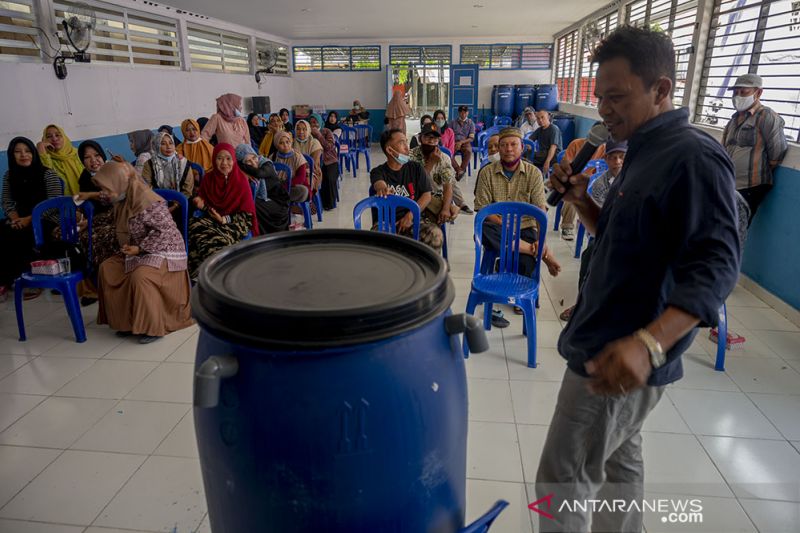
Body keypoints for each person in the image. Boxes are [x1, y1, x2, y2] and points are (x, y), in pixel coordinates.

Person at [537, 27, 741, 533]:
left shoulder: (692, 157)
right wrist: (582, 201)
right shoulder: (642, 148)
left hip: (618, 350)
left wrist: (648, 344)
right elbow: (623, 236)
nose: (604, 109)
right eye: (600, 96)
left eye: (618, 97)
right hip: (608, 335)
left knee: (560, 483)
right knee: (618, 469)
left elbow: (716, 266)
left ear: (662, 89)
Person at [92, 161, 193, 344]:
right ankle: (127, 323)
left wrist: (140, 248)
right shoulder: (122, 199)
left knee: (142, 276)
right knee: (108, 268)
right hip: (138, 249)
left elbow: (167, 232)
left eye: (108, 188)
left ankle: (153, 327)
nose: (105, 194)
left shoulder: (147, 200)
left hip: (166, 250)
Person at [474, 128, 561, 279]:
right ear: (499, 149)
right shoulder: (486, 172)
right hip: (497, 227)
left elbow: (540, 211)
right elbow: (483, 208)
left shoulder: (534, 173)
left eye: (513, 144)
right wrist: (503, 222)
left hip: (524, 227)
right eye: (503, 145)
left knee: (526, 265)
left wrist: (542, 241)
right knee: (484, 227)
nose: (508, 149)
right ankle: (535, 251)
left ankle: (521, 255)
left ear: (522, 147)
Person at [558, 140, 626, 322]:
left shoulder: (637, 180)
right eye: (613, 158)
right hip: (605, 235)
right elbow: (598, 218)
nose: (618, 162)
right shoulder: (599, 184)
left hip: (630, 237)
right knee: (590, 257)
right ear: (606, 159)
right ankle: (582, 303)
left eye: (622, 157)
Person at [0, 137, 63, 300]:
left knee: (24, 235)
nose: (23, 155)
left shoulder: (48, 174)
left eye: (27, 151)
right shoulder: (9, 176)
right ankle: (5, 280)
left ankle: (30, 279)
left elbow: (53, 203)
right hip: (20, 218)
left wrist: (29, 219)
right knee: (3, 230)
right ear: (11, 155)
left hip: (46, 218)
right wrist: (15, 218)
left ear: (33, 153)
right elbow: (6, 201)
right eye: (18, 152)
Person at [722, 73, 788, 222]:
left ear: (758, 92)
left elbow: (777, 153)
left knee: (734, 230)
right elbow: (724, 148)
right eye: (735, 92)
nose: (738, 96)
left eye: (743, 91)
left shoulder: (767, 116)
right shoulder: (733, 119)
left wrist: (754, 169)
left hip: (750, 187)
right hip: (729, 184)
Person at [188, 143, 258, 279]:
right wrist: (201, 204)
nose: (224, 163)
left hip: (235, 222)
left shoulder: (241, 180)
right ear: (214, 160)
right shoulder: (208, 179)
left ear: (233, 160)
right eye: (219, 158)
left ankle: (218, 268)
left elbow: (246, 215)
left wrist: (224, 220)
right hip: (211, 218)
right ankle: (215, 267)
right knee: (195, 225)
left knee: (215, 238)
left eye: (228, 158)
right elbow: (205, 205)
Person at [370, 129, 443, 252]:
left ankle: (427, 270)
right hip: (386, 222)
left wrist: (410, 216)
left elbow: (426, 195)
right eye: (401, 142)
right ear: (389, 150)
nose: (407, 147)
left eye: (406, 142)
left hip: (413, 220)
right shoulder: (379, 171)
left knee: (435, 234)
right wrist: (382, 188)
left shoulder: (416, 168)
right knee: (376, 239)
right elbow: (378, 183)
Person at [76, 140, 118, 279]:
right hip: (97, 218)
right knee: (71, 233)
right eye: (87, 157)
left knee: (94, 237)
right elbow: (85, 202)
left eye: (97, 155)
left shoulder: (113, 171)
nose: (93, 160)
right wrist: (80, 215)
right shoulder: (85, 177)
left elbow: (115, 199)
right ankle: (92, 279)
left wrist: (90, 222)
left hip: (118, 216)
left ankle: (108, 277)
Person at [557, 130, 607, 241]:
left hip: (593, 181)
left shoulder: (604, 149)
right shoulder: (575, 144)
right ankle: (567, 226)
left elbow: (604, 170)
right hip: (574, 178)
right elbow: (567, 165)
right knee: (574, 193)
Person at [408, 124, 459, 225]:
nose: (431, 141)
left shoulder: (444, 158)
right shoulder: (411, 155)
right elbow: (415, 184)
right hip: (414, 196)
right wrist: (431, 163)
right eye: (427, 137)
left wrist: (445, 209)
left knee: (443, 213)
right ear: (420, 138)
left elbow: (448, 187)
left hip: (436, 198)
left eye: (435, 138)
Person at [235, 143, 290, 233]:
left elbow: (259, 173)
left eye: (254, 157)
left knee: (252, 205)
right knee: (248, 204)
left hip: (279, 202)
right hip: (264, 200)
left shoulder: (266, 163)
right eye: (248, 161)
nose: (253, 162)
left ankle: (262, 235)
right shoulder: (245, 171)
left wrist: (241, 166)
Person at [141, 132, 194, 200]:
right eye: (163, 144)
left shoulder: (183, 163)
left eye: (171, 143)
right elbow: (146, 187)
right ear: (156, 146)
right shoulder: (149, 164)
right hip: (156, 201)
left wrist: (175, 205)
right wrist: (161, 204)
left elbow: (187, 191)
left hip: (181, 202)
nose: (168, 147)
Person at [36, 124, 82, 195]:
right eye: (49, 136)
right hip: (62, 203)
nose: (54, 139)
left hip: (87, 199)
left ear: (64, 137)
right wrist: (41, 150)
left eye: (58, 135)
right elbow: (48, 177)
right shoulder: (46, 158)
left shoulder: (78, 154)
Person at [309, 113, 339, 210]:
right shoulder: (307, 133)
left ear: (320, 122)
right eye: (311, 122)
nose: (314, 125)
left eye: (316, 122)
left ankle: (329, 203)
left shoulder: (326, 131)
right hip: (315, 162)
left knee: (329, 178)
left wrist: (318, 135)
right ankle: (315, 203)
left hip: (330, 161)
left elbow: (329, 147)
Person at [271, 131, 310, 203]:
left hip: (292, 185)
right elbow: (270, 175)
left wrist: (285, 186)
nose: (285, 145)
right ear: (276, 145)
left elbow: (301, 178)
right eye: (281, 143)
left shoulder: (297, 156)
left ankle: (278, 201)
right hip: (278, 185)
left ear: (291, 142)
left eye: (287, 142)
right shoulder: (273, 157)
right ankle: (281, 201)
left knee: (303, 191)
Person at [293, 119, 323, 197]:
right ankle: (294, 207)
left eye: (304, 129)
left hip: (312, 172)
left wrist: (301, 169)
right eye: (298, 129)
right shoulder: (292, 143)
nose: (301, 132)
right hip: (295, 172)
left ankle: (310, 204)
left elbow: (313, 164)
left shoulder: (314, 143)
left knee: (306, 184)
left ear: (308, 130)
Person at [450, 105, 475, 180]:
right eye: (461, 112)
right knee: (448, 153)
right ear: (458, 113)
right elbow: (449, 135)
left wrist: (461, 142)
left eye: (465, 112)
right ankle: (459, 170)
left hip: (465, 142)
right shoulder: (452, 122)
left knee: (468, 151)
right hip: (454, 142)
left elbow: (471, 138)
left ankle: (461, 170)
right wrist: (454, 143)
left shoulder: (471, 123)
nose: (463, 114)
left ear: (468, 113)